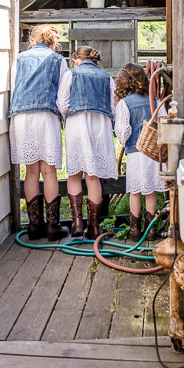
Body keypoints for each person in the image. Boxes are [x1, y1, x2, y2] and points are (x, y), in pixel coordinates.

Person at [9, 24, 68, 241]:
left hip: (22, 117)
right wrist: (63, 117)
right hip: (46, 115)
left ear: (31, 42)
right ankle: (53, 226)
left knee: (31, 171)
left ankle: (34, 226)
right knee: (49, 171)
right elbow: (63, 95)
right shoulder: (58, 60)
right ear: (53, 44)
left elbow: (14, 86)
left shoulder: (19, 58)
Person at [57, 46, 117, 239]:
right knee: (93, 176)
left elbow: (62, 103)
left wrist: (70, 118)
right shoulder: (106, 77)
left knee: (75, 174)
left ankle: (76, 223)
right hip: (101, 125)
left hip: (77, 123)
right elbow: (114, 106)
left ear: (77, 60)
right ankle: (94, 228)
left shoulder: (71, 74)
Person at [114, 63, 168, 241]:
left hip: (135, 153)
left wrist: (126, 141)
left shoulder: (125, 103)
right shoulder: (155, 101)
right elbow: (165, 123)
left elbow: (123, 131)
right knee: (150, 191)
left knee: (135, 192)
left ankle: (134, 231)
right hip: (153, 154)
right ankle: (151, 231)